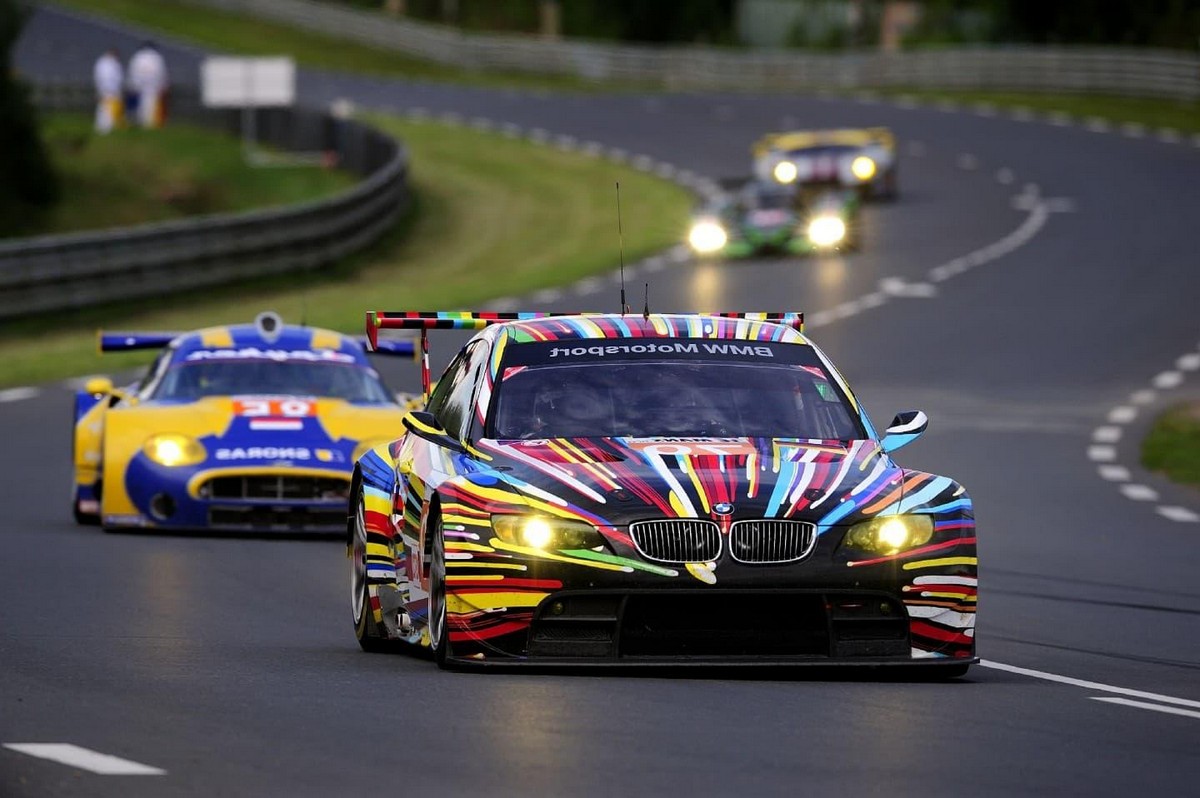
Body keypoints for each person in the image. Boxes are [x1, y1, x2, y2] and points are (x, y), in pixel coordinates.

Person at [127, 41, 168, 129]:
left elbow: (133, 72)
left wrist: (132, 85)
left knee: (140, 105)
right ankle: (149, 124)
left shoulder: (138, 57)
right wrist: (163, 85)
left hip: (140, 85)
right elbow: (162, 73)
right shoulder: (157, 58)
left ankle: (141, 122)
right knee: (151, 105)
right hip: (153, 86)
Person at [92, 48, 123, 134]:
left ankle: (106, 127)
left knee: (106, 108)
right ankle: (105, 128)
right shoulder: (107, 63)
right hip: (108, 89)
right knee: (106, 109)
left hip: (107, 89)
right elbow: (106, 78)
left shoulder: (104, 63)